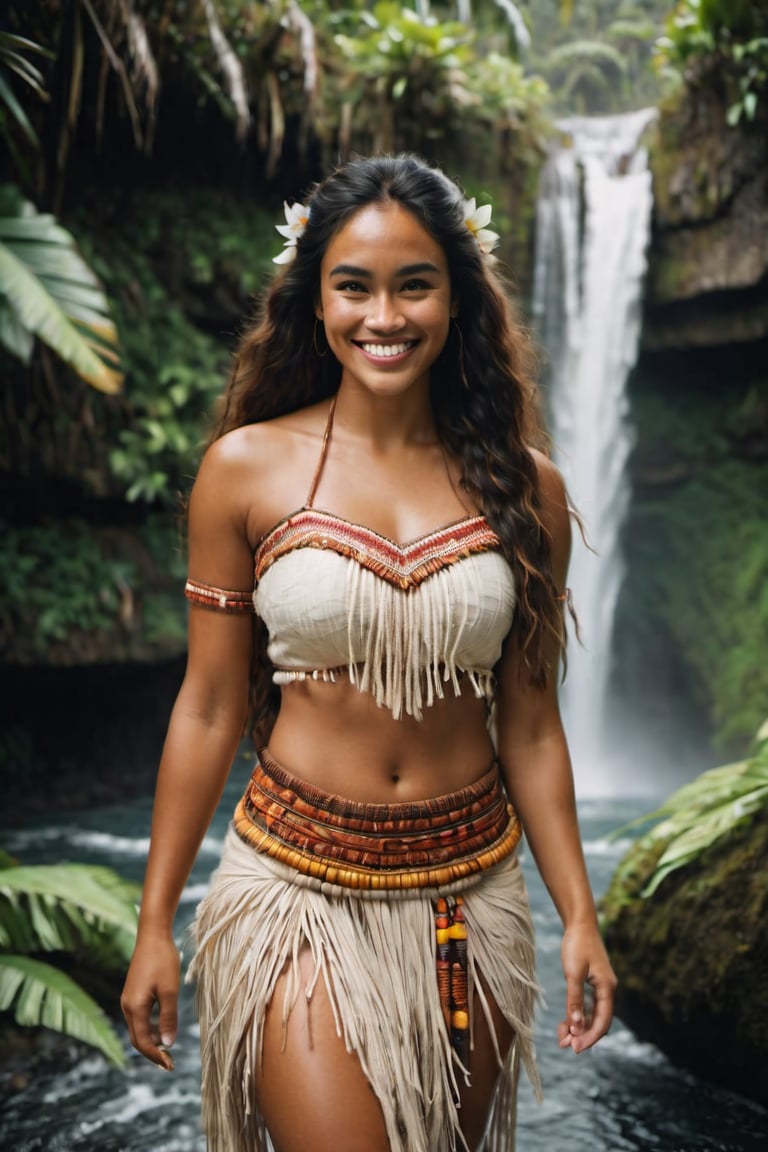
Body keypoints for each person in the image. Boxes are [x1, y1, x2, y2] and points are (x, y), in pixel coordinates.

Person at [121, 152, 616, 1152]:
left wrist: (579, 913)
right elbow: (210, 707)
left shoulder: (529, 490)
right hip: (298, 886)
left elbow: (528, 720)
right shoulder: (245, 470)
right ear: (313, 299)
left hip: (471, 892)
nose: (383, 316)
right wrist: (155, 923)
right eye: (354, 286)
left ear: (457, 297)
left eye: (414, 284)